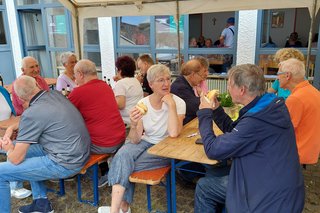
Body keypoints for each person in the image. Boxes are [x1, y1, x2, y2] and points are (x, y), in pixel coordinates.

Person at [195, 64, 304, 212]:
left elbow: (213, 150)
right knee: (214, 172)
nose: (227, 89)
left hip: (269, 196)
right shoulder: (268, 105)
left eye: (229, 85)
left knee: (204, 186)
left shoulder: (257, 120)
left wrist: (205, 114)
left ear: (242, 90)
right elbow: (238, 133)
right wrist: (216, 110)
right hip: (280, 182)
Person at [98, 64, 186, 213]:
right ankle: (118, 209)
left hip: (165, 147)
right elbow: (135, 140)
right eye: (160, 80)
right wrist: (133, 125)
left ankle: (122, 207)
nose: (166, 84)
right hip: (145, 140)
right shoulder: (142, 104)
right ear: (150, 84)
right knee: (123, 154)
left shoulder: (178, 103)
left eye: (168, 79)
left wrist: (171, 105)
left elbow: (173, 133)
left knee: (119, 162)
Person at [0, 75, 91, 213]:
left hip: (65, 161)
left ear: (19, 98)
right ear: (37, 84)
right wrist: (12, 128)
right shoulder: (55, 95)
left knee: (1, 172)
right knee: (27, 152)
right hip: (79, 152)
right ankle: (41, 202)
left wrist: (9, 149)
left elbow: (15, 158)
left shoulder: (32, 113)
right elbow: (37, 117)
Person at [68, 59, 126, 186]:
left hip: (103, 144)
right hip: (120, 137)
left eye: (75, 75)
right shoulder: (106, 86)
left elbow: (64, 117)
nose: (74, 78)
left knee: (70, 141)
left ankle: (82, 173)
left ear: (80, 74)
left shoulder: (78, 92)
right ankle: (104, 170)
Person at [278, 58, 320, 164]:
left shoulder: (295, 99)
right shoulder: (313, 91)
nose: (277, 78)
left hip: (297, 155)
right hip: (311, 151)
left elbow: (282, 130)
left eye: (278, 74)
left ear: (287, 76)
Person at [171, 57, 209, 125]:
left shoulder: (185, 83)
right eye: (201, 76)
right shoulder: (180, 87)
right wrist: (203, 95)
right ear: (193, 75)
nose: (202, 79)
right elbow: (198, 107)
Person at [113, 56, 144, 127]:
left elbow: (120, 105)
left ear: (120, 71)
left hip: (126, 122)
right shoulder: (136, 81)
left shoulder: (120, 84)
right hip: (138, 118)